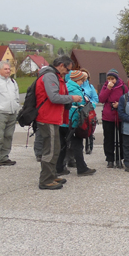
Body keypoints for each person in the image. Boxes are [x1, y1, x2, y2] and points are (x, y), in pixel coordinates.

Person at [35, 56, 82, 190]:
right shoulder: (50, 76)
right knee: (50, 149)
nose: (67, 73)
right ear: (61, 65)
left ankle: (51, 175)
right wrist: (72, 98)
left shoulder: (54, 76)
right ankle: (45, 180)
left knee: (55, 148)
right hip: (47, 117)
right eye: (67, 70)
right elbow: (54, 97)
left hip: (53, 117)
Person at [56, 70, 96, 177]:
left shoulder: (66, 87)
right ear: (78, 80)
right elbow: (83, 104)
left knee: (62, 145)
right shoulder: (76, 90)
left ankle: (59, 168)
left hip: (63, 121)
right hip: (72, 122)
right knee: (77, 145)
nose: (83, 82)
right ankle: (82, 168)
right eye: (82, 80)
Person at [99, 68, 127, 168]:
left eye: (113, 79)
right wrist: (108, 89)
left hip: (120, 116)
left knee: (121, 138)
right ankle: (110, 158)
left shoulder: (123, 87)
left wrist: (120, 104)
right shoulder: (105, 86)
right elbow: (101, 99)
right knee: (108, 138)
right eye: (109, 79)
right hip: (108, 116)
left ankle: (120, 157)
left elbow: (127, 99)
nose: (111, 81)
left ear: (117, 78)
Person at [79, 68, 98, 155]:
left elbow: (95, 98)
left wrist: (91, 106)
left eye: (85, 76)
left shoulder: (90, 87)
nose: (84, 78)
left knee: (89, 127)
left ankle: (89, 146)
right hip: (78, 109)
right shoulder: (77, 86)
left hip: (88, 110)